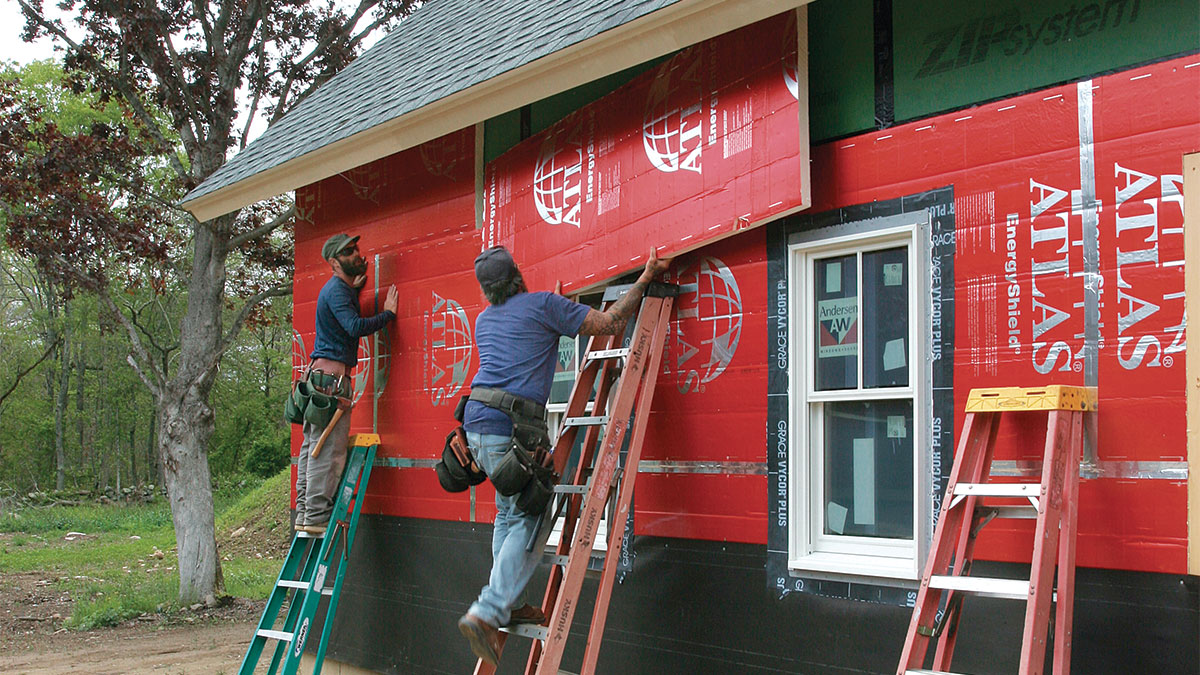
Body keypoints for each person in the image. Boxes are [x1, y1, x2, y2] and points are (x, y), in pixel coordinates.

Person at [457, 245, 669, 666]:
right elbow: (610, 323)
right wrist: (644, 280)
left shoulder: (485, 320)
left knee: (507, 513)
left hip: (475, 427)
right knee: (532, 514)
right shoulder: (542, 306)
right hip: (510, 430)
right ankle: (489, 609)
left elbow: (525, 339)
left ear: (487, 291)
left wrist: (556, 310)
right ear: (518, 276)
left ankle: (508, 604)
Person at [295, 233, 398, 535]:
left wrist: (356, 288)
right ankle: (316, 517)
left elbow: (345, 306)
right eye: (348, 252)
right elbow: (353, 326)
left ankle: (305, 513)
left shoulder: (338, 290)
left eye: (356, 249)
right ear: (333, 262)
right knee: (327, 450)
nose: (357, 254)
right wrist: (388, 315)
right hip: (330, 384)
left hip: (318, 380)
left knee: (311, 446)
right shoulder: (337, 292)